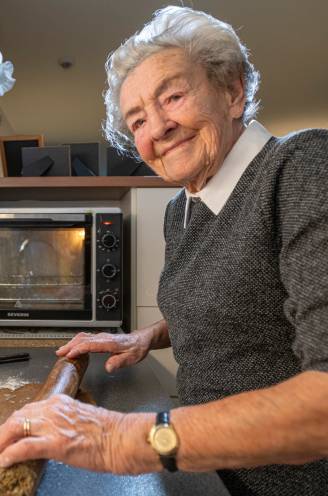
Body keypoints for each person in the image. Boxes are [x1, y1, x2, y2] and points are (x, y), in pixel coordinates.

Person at [0, 5, 328, 495]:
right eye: (136, 121)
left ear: (232, 90)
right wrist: (144, 338)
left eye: (172, 96)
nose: (156, 130)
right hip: (205, 468)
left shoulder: (300, 167)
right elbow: (243, 302)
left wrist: (116, 437)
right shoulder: (183, 207)